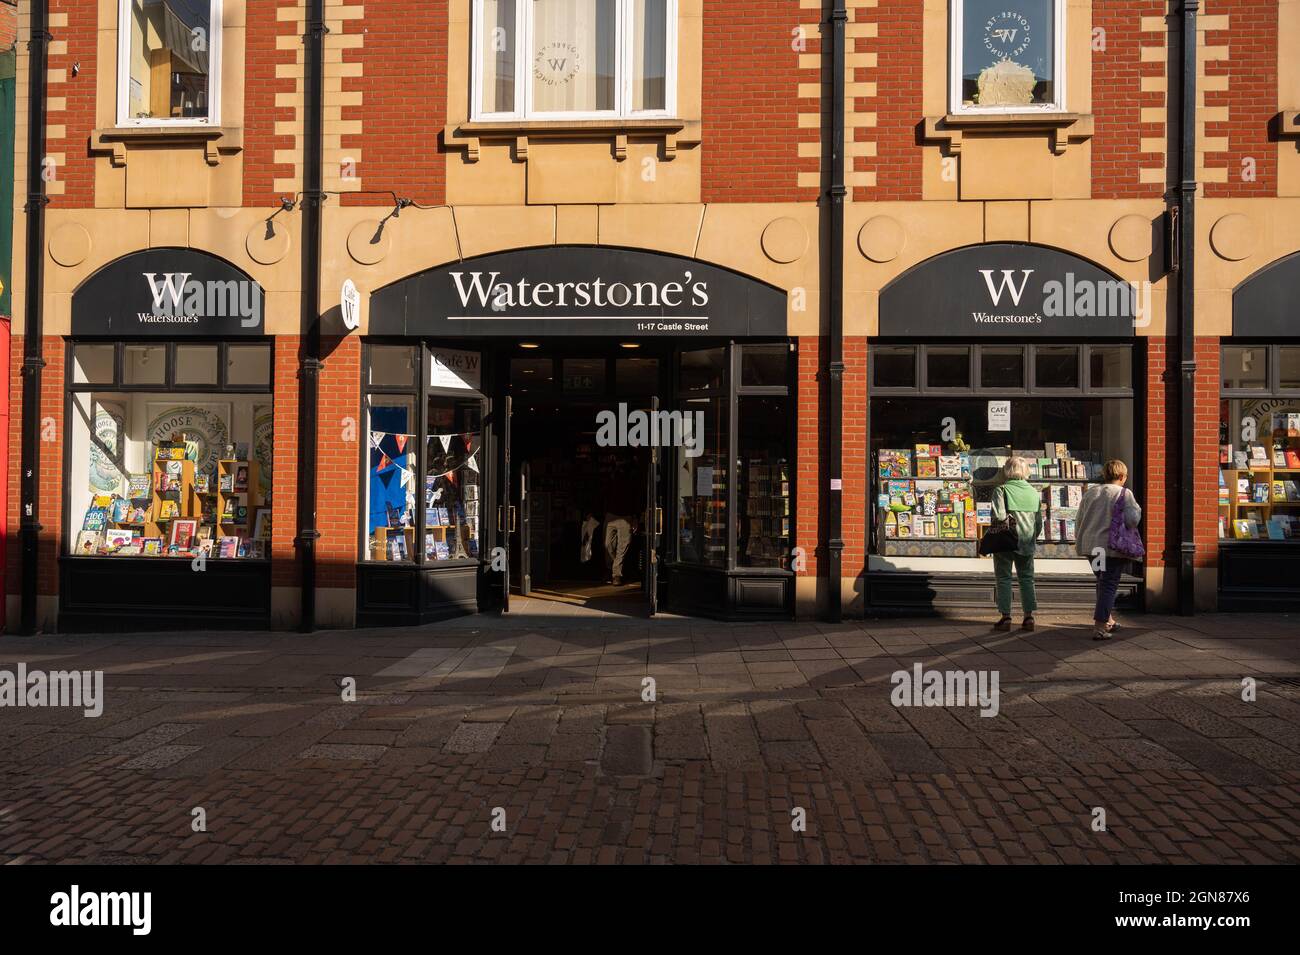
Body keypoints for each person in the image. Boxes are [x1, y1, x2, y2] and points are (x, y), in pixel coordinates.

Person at [1076, 459, 1142, 640]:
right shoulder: (1124, 493)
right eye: (1125, 476)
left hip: (1092, 546)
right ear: (1121, 476)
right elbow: (1132, 520)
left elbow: (1079, 519)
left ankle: (1108, 620)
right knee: (1109, 583)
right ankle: (1099, 626)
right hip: (1111, 547)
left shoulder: (1091, 493)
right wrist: (1138, 509)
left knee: (1102, 581)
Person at [991, 456, 1043, 632]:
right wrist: (1031, 537)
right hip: (1027, 541)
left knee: (1004, 578)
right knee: (1027, 578)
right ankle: (1029, 617)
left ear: (1007, 470)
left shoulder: (1001, 490)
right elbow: (1038, 523)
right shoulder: (1034, 493)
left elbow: (998, 517)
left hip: (1006, 541)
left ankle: (1006, 617)